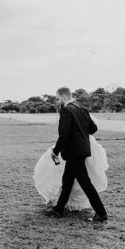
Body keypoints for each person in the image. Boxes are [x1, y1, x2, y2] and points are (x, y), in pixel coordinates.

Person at [47, 87, 108, 222]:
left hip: (73, 152)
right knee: (67, 181)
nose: (57, 101)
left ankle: (101, 213)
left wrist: (55, 151)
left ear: (63, 97)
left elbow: (64, 134)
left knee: (85, 182)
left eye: (57, 98)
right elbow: (93, 129)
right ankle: (58, 209)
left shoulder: (66, 110)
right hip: (81, 151)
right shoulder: (83, 110)